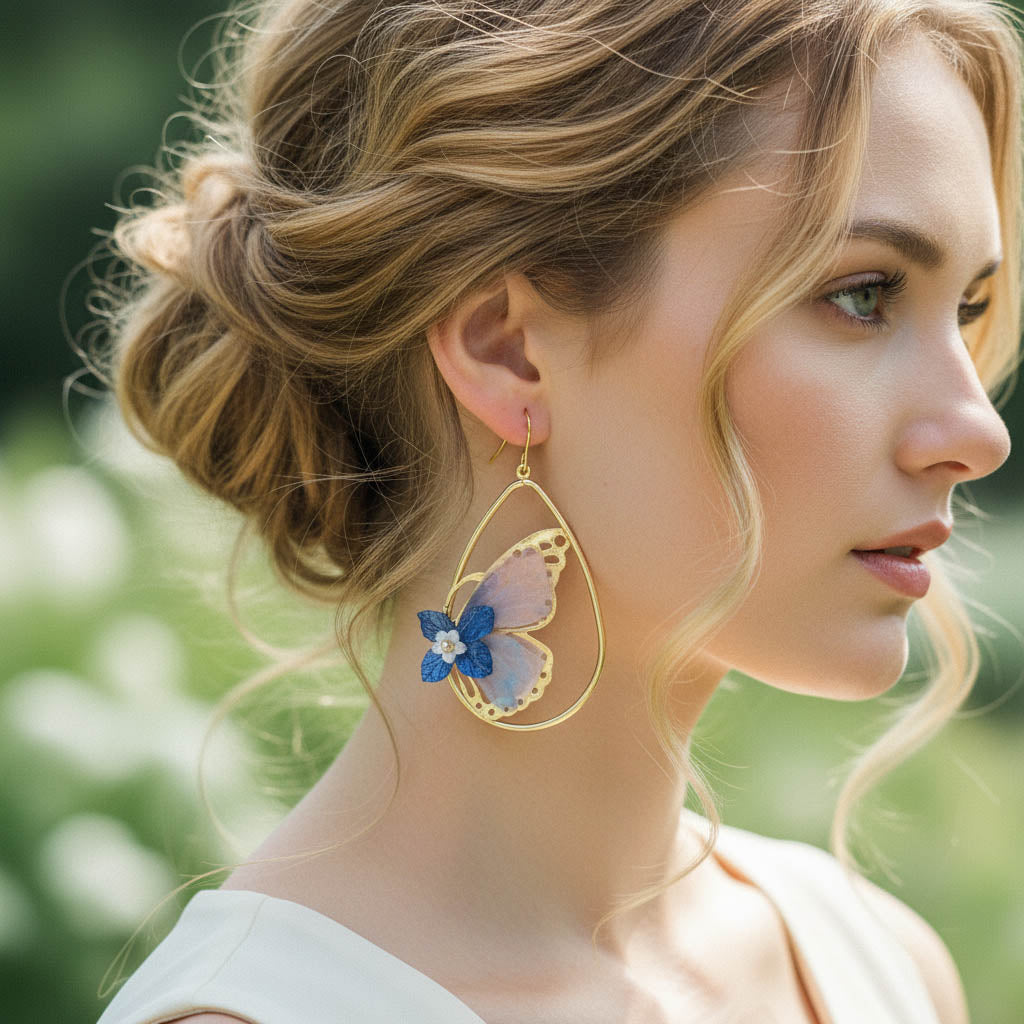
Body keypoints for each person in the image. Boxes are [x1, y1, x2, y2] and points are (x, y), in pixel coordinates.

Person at [86, 0, 1022, 1021]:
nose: (977, 430)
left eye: (968, 307)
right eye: (863, 294)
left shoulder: (875, 964)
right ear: (506, 349)